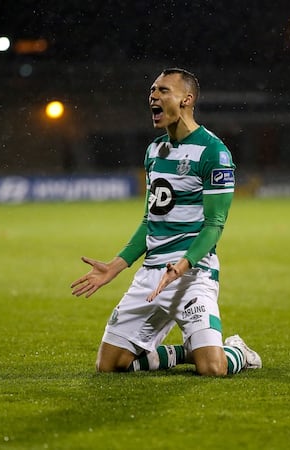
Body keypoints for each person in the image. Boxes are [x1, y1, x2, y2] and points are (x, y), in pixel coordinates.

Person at [70, 68, 261, 376]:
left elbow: (214, 225)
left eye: (162, 91)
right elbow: (150, 220)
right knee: (109, 365)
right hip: (151, 276)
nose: (153, 96)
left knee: (213, 369)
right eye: (152, 91)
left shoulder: (214, 153)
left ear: (186, 100)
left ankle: (237, 350)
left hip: (193, 276)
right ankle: (186, 352)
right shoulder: (154, 151)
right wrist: (115, 266)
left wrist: (182, 267)